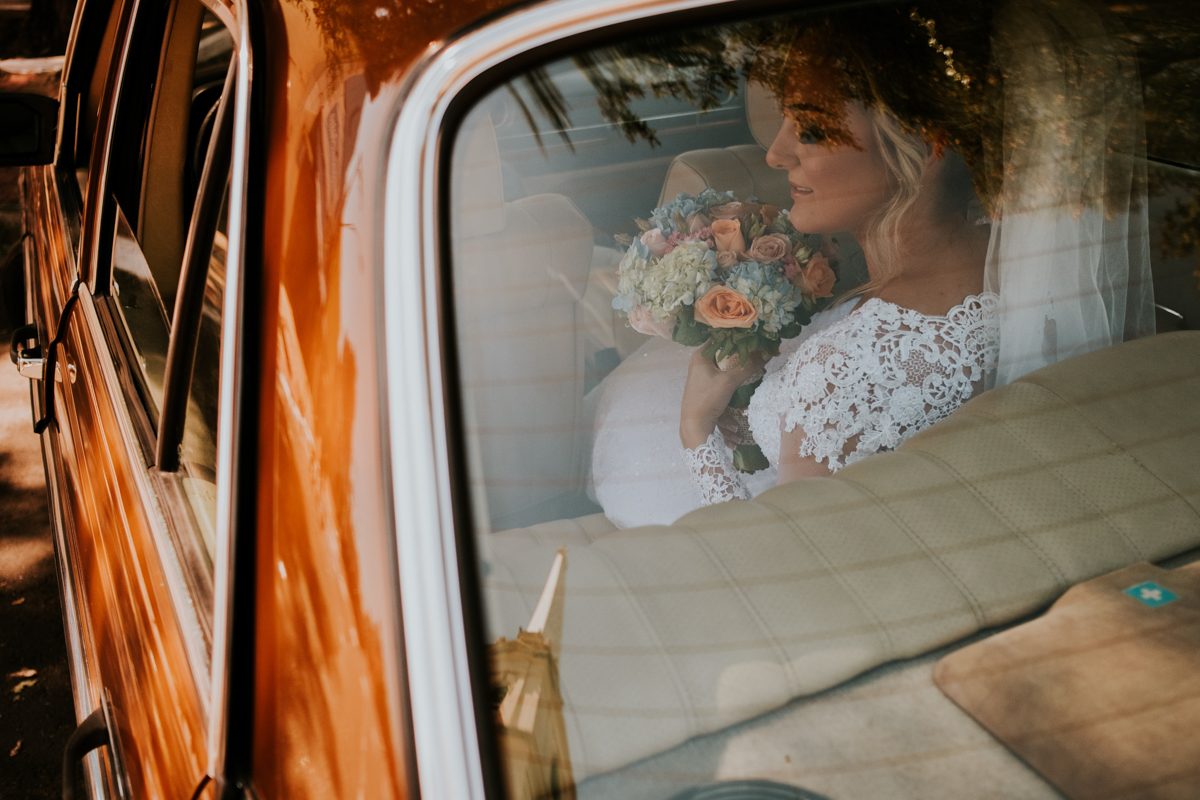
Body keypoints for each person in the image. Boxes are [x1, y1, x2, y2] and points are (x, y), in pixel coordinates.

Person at [590, 0, 1153, 523]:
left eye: (811, 127)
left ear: (926, 145)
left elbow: (783, 568)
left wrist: (698, 429)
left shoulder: (846, 371)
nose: (776, 152)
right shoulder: (1031, 264)